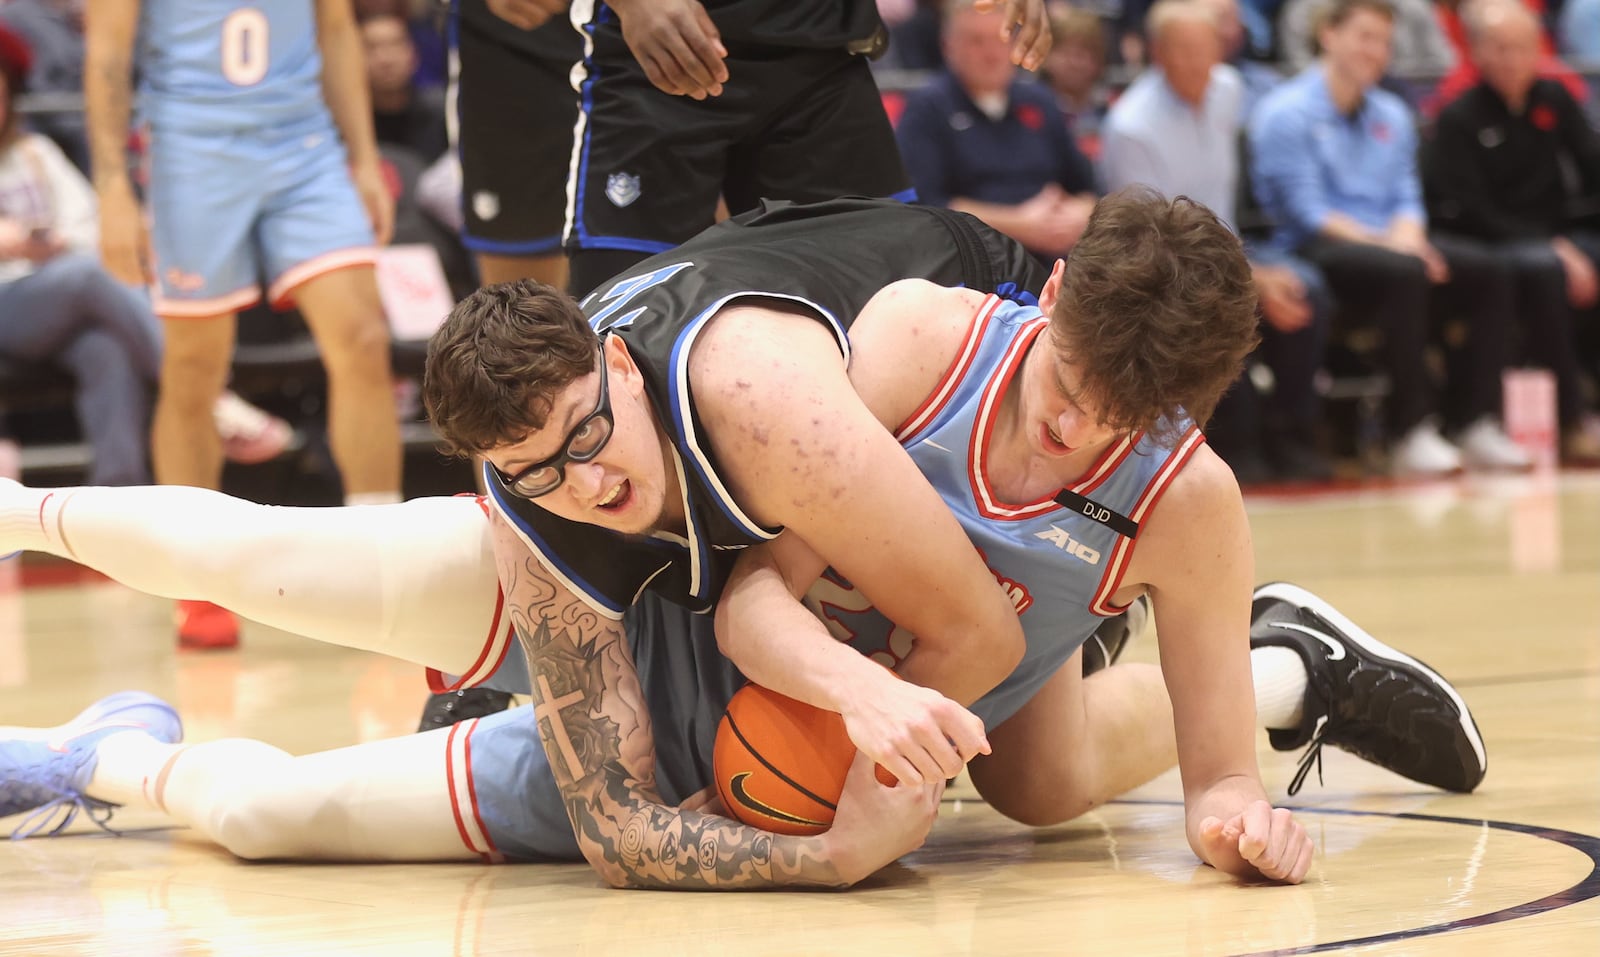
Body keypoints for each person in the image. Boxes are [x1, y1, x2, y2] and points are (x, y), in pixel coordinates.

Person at [0, 193, 1484, 889]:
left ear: (1194, 406)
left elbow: (1214, 789)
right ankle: (20, 510)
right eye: (1066, 390)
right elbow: (761, 602)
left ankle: (100, 759)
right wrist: (866, 703)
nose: (1078, 433)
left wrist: (1237, 821)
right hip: (695, 632)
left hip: (826, 736)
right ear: (1043, 306)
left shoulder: (1191, 498)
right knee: (273, 556)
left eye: (1127, 421)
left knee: (270, 818)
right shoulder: (921, 345)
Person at [83, 0, 406, 650]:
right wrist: (113, 188)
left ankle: (385, 565)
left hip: (305, 144)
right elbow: (108, 53)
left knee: (364, 339)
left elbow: (336, 30)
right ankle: (194, 576)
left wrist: (364, 158)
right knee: (194, 369)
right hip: (191, 152)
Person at [1249, 0, 1530, 476]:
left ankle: (1475, 421)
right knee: (1406, 271)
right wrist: (1396, 247)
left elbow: (1406, 198)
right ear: (1328, 35)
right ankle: (1409, 430)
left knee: (1490, 269)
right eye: (1365, 37)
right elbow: (1309, 213)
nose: (1376, 51)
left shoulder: (1392, 113)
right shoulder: (1285, 112)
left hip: (1391, 246)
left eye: (1384, 41)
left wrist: (1409, 239)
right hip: (1313, 248)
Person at [0, 27, 291, 485]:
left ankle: (116, 496)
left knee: (107, 349)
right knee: (90, 274)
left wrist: (51, 241)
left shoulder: (34, 152)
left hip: (57, 294)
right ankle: (212, 396)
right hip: (11, 304)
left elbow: (90, 225)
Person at [1101, 0, 1332, 483]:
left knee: (1307, 292)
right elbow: (1152, 235)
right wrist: (1249, 280)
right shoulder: (1131, 126)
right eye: (1182, 49)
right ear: (1157, 53)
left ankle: (1290, 431)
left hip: (1230, 249)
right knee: (1214, 306)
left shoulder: (1228, 90)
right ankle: (1236, 441)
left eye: (1205, 48)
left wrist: (1248, 271)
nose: (1196, 61)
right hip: (1163, 264)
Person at [1423, 0, 1600, 463]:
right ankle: (1571, 417)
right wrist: (1552, 246)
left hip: (1555, 235)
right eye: (1500, 48)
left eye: (1522, 47)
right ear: (1477, 53)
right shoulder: (1458, 115)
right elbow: (1471, 210)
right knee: (1545, 269)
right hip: (1488, 239)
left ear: (1539, 49)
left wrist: (1563, 243)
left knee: (1561, 260)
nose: (1512, 59)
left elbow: (1592, 164)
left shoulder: (1554, 99)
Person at [896, 0, 1098, 261]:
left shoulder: (1039, 100)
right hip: (973, 262)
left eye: (1001, 40)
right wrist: (1018, 225)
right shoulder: (927, 109)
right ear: (949, 46)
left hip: (1056, 259)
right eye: (977, 41)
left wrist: (1081, 213)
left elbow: (1088, 187)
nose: (991, 54)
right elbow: (924, 208)